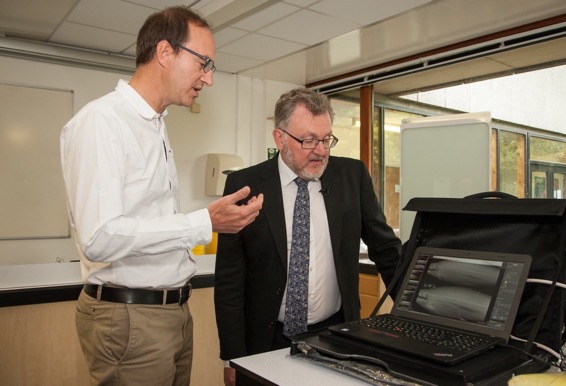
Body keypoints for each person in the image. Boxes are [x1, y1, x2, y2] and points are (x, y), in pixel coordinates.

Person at [60, 6, 263, 386]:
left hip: (171, 313)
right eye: (204, 63)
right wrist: (205, 222)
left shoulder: (155, 126)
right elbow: (99, 237)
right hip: (131, 319)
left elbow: (144, 221)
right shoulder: (102, 122)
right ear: (165, 53)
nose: (209, 78)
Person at [214, 88, 401, 385]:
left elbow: (386, 249)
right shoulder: (244, 185)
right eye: (309, 140)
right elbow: (229, 281)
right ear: (279, 138)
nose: (321, 150)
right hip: (266, 339)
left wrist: (417, 309)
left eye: (326, 139)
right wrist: (232, 357)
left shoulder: (351, 176)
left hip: (337, 336)